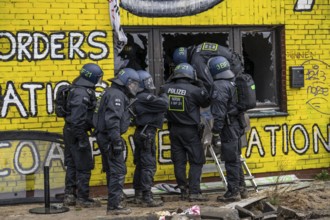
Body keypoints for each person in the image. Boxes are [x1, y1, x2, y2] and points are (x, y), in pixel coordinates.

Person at [93, 68, 140, 215]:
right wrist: (116, 141)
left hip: (104, 136)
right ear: (126, 82)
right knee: (118, 171)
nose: (133, 88)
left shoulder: (110, 92)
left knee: (111, 170)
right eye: (132, 84)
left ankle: (116, 199)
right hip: (109, 137)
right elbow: (112, 120)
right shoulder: (117, 96)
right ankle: (114, 205)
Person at [161, 63, 210, 202]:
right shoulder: (195, 90)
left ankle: (183, 189)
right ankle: (194, 192)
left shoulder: (165, 88)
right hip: (190, 131)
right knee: (196, 160)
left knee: (179, 161)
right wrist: (201, 85)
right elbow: (206, 102)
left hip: (173, 130)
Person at [63, 63, 103, 208]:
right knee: (84, 165)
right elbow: (77, 119)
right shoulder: (82, 93)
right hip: (77, 132)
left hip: (70, 131)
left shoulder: (76, 88)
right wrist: (81, 139)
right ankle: (82, 198)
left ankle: (70, 196)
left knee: (72, 164)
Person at [208, 56, 246, 202]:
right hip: (237, 125)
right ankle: (242, 188)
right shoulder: (233, 81)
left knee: (230, 160)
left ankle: (233, 192)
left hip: (228, 127)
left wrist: (215, 132)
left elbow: (219, 114)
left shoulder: (219, 86)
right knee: (236, 158)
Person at [132, 70, 168, 207]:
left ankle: (138, 194)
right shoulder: (144, 97)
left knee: (141, 165)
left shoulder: (138, 97)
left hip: (142, 132)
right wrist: (163, 94)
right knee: (148, 166)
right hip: (147, 134)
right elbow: (165, 104)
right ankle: (146, 197)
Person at [172, 42, 244, 93]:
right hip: (235, 60)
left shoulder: (196, 59)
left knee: (220, 91)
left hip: (232, 65)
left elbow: (208, 81)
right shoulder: (199, 47)